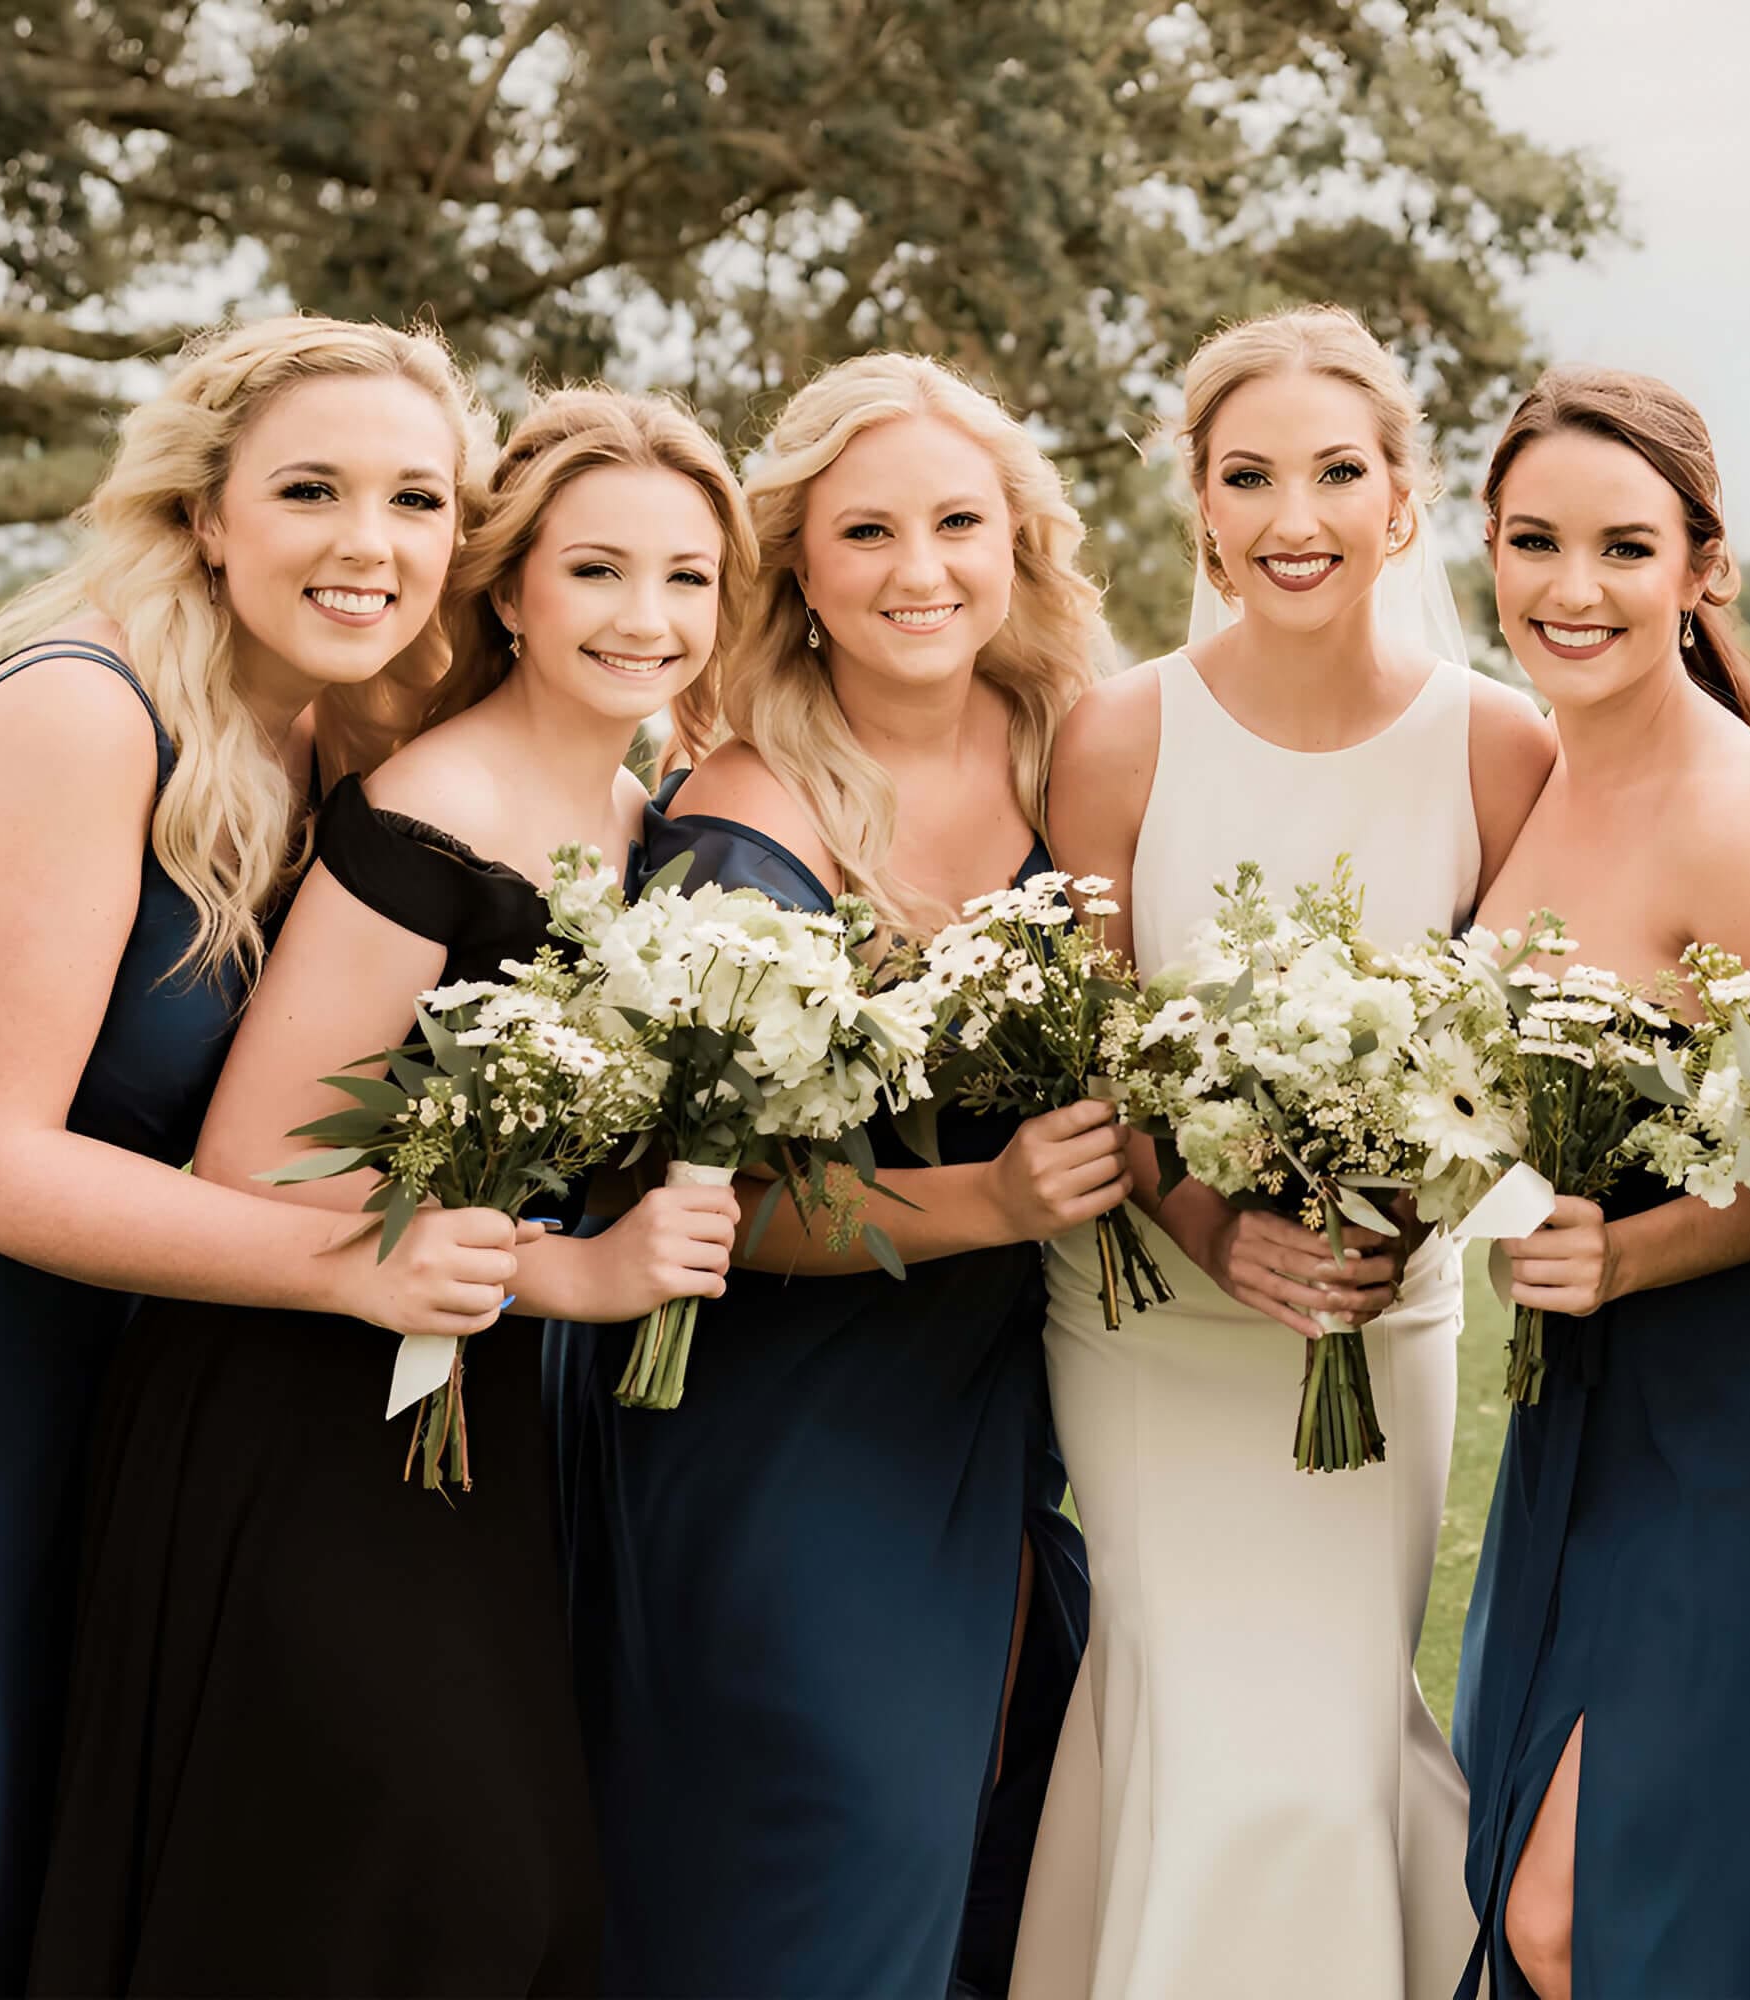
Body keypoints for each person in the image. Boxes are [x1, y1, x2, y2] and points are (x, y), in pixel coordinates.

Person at [0, 316, 524, 1995]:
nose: (369, 544)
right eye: (311, 489)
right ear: (208, 513)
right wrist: (350, 1264)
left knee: (1, 1892)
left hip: (52, 1378)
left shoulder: (342, 740)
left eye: (417, 502)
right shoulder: (85, 711)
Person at [29, 390, 753, 1994]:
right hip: (297, 1409)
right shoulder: (425, 812)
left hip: (466, 1409)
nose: (650, 619)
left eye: (689, 578)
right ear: (508, 590)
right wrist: (574, 1274)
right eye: (598, 573)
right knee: (405, 1891)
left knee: (469, 1901)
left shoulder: (644, 817)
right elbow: (258, 1160)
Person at [560, 352, 1127, 1997]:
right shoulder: (738, 820)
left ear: (1018, 542)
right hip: (787, 1424)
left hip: (1003, 1403)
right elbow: (688, 1209)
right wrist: (993, 1204)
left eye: (958, 523)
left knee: (995, 1849)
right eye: (865, 531)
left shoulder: (1069, 755)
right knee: (836, 1847)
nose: (919, 570)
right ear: (795, 562)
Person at [1013, 304, 1554, 2000]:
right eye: (1250, 476)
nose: (1294, 514)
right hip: (1148, 1329)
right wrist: (1209, 1224)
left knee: (1317, 1742)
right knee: (1194, 1708)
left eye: (1338, 471)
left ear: (1403, 502)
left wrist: (1412, 1213)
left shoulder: (1496, 745)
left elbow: (1536, 1057)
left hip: (1379, 1329)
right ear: (1202, 510)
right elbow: (1096, 1054)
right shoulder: (1116, 737)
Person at [1445, 367, 1750, 1999]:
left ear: (1703, 569)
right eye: (1534, 541)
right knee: (1523, 1894)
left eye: (1625, 549)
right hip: (1589, 1411)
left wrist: (1633, 1259)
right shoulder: (1543, 769)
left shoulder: (1741, 819)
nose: (1574, 590)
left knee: (1593, 1916)